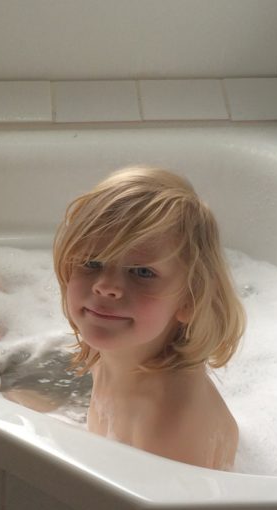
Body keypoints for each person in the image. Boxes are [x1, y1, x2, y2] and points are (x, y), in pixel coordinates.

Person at [52, 166, 245, 470]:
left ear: (189, 299)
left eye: (142, 272)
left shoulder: (168, 426)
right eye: (91, 262)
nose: (106, 286)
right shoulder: (114, 354)